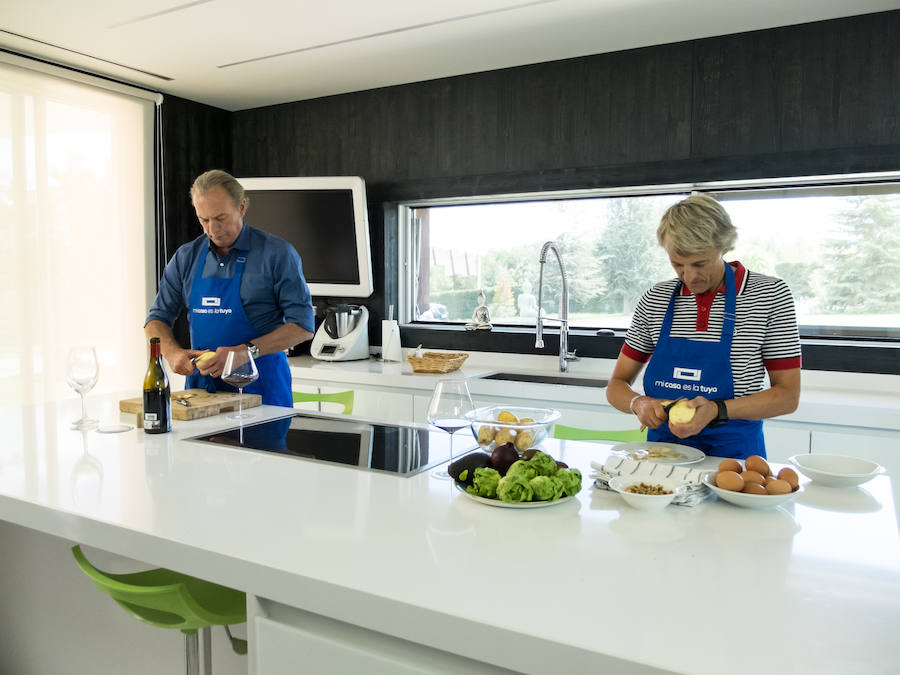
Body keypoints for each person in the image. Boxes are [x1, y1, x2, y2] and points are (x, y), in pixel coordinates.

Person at [606, 194, 801, 459]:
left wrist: (717, 410)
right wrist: (637, 403)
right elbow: (616, 385)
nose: (690, 277)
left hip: (734, 457)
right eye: (678, 264)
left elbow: (788, 396)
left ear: (724, 247)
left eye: (700, 263)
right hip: (663, 456)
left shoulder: (769, 295)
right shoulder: (656, 299)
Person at [145, 170, 314, 407]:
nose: (213, 229)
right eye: (204, 220)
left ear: (242, 207)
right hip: (201, 397)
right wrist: (171, 352)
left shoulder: (277, 254)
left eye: (220, 218)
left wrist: (246, 352)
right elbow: (156, 319)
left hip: (262, 394)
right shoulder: (186, 257)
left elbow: (303, 326)